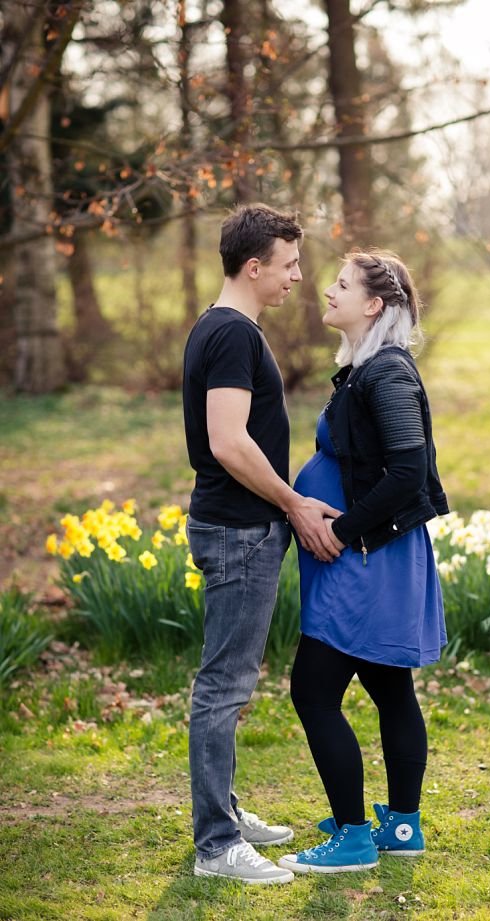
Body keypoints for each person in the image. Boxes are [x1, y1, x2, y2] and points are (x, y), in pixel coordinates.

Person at [183, 204, 343, 885]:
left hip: (243, 528)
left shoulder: (220, 329)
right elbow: (227, 441)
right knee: (223, 686)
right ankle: (218, 844)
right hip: (241, 531)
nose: (297, 278)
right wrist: (293, 501)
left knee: (227, 682)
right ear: (254, 266)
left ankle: (224, 811)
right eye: (288, 265)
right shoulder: (232, 336)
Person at [276, 249, 449, 875]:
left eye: (342, 285)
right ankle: (401, 826)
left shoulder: (388, 374)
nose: (327, 290)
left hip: (367, 559)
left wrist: (342, 532)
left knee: (313, 692)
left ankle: (351, 837)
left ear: (374, 304)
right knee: (388, 686)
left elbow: (408, 473)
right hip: (367, 556)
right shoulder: (365, 370)